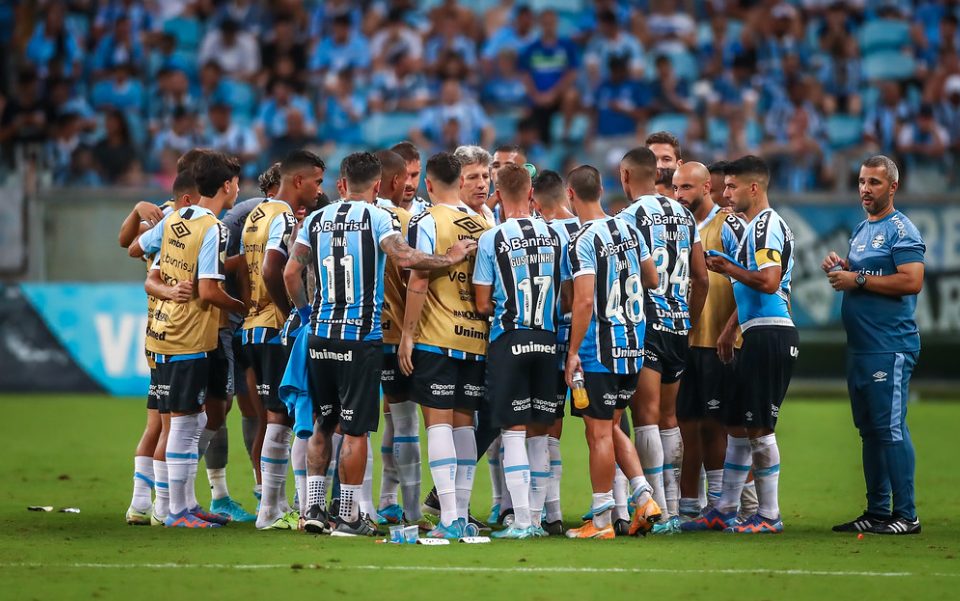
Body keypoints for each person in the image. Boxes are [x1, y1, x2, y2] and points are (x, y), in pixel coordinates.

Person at [286, 151, 476, 537]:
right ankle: (350, 514)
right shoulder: (377, 217)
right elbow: (406, 259)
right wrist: (450, 256)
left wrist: (307, 316)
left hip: (320, 334)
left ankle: (314, 508)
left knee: (324, 421)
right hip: (361, 337)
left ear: (342, 183)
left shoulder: (318, 220)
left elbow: (292, 271)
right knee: (355, 431)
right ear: (377, 186)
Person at [130, 151, 246, 528]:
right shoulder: (213, 228)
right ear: (226, 186)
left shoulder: (174, 217)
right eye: (236, 183)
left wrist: (163, 289)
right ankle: (174, 512)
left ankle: (183, 504)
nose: (238, 188)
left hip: (162, 331)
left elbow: (137, 251)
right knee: (182, 425)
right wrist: (244, 305)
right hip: (189, 336)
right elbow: (210, 291)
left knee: (191, 420)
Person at [823, 156, 925, 536]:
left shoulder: (903, 229)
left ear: (892, 187)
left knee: (891, 429)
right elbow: (866, 270)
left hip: (890, 346)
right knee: (870, 431)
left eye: (874, 183)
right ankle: (878, 511)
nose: (865, 189)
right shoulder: (863, 228)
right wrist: (843, 265)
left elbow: (911, 281)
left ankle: (907, 514)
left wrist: (858, 280)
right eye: (862, 181)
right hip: (863, 347)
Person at [563, 165, 661, 540]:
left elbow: (584, 300)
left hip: (599, 350)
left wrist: (572, 352)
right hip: (633, 346)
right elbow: (651, 279)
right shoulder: (629, 227)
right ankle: (644, 497)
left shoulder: (582, 239)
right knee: (612, 426)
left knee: (598, 432)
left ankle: (602, 520)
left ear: (571, 195)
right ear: (601, 189)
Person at [398, 152, 492, 539]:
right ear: (461, 181)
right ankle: (461, 516)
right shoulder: (485, 224)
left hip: (437, 336)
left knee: (437, 423)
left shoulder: (428, 219)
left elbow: (418, 278)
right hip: (477, 338)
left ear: (429, 184)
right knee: (464, 425)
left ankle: (451, 517)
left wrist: (407, 333)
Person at [703, 155, 798, 534]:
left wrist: (729, 269)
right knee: (737, 424)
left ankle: (770, 515)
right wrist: (731, 328)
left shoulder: (765, 226)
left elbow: (769, 281)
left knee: (759, 426)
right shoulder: (752, 228)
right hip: (755, 330)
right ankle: (726, 509)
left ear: (753, 188)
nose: (725, 193)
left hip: (771, 333)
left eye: (731, 186)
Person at [617, 147, 708, 533]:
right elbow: (702, 278)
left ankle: (655, 507)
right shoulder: (685, 214)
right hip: (677, 322)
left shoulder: (629, 217)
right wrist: (689, 321)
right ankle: (671, 507)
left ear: (625, 176)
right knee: (670, 418)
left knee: (646, 416)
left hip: (648, 321)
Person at [473, 163, 563, 539]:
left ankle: (522, 519)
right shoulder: (556, 236)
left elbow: (481, 303)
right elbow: (569, 294)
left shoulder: (492, 238)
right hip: (547, 340)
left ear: (498, 194)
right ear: (531, 193)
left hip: (509, 340)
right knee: (540, 433)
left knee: (512, 432)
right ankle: (540, 517)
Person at [241, 150, 325, 530]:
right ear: (298, 181)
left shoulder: (256, 214)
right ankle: (274, 509)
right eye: (317, 182)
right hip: (276, 327)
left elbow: (245, 270)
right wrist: (292, 309)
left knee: (274, 416)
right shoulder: (285, 216)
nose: (319, 190)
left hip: (252, 324)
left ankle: (271, 507)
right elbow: (272, 268)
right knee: (287, 417)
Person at [670, 163, 749, 527]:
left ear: (706, 187)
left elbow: (747, 279)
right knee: (687, 422)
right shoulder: (678, 225)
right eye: (675, 187)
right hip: (685, 338)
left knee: (717, 424)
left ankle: (723, 504)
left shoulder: (729, 224)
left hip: (719, 340)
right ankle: (692, 502)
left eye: (686, 187)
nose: (679, 194)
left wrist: (731, 329)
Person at [120, 169, 197, 526]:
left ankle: (140, 503)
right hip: (173, 327)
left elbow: (130, 247)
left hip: (157, 327)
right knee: (169, 423)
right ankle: (164, 507)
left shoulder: (168, 218)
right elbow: (128, 243)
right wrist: (138, 210)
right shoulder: (174, 217)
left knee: (157, 420)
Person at [219, 163, 282, 513]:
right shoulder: (247, 214)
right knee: (253, 411)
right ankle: (262, 490)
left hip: (268, 324)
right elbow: (216, 260)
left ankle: (274, 492)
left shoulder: (314, 209)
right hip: (246, 323)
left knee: (274, 413)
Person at [374, 149, 429, 529]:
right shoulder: (407, 220)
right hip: (392, 334)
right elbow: (416, 276)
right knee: (405, 422)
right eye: (405, 176)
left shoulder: (338, 215)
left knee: (357, 423)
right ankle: (409, 512)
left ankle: (371, 504)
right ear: (390, 178)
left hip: (352, 334)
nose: (409, 184)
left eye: (416, 175)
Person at [532, 169, 580, 534]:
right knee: (604, 425)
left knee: (543, 427)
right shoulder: (588, 227)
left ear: (537, 201)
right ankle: (614, 507)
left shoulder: (542, 234)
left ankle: (547, 513)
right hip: (589, 344)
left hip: (548, 339)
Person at [390, 141, 431, 214]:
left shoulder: (431, 215)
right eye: (404, 176)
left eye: (414, 175)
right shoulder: (374, 213)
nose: (409, 183)